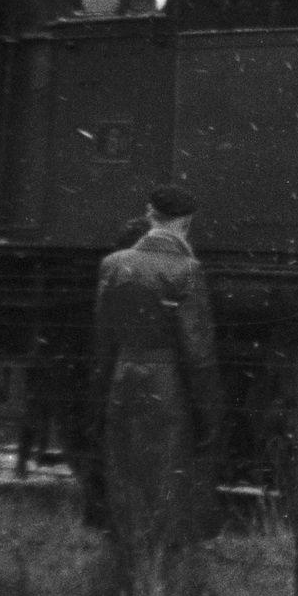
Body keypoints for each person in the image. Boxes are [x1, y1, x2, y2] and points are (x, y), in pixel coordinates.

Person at [92, 185, 220, 566]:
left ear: (150, 216)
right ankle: (161, 570)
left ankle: (125, 564)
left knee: (126, 473)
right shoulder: (187, 270)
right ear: (186, 222)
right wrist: (210, 415)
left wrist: (98, 398)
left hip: (122, 379)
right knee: (166, 476)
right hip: (167, 386)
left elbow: (102, 344)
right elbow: (198, 354)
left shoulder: (113, 266)